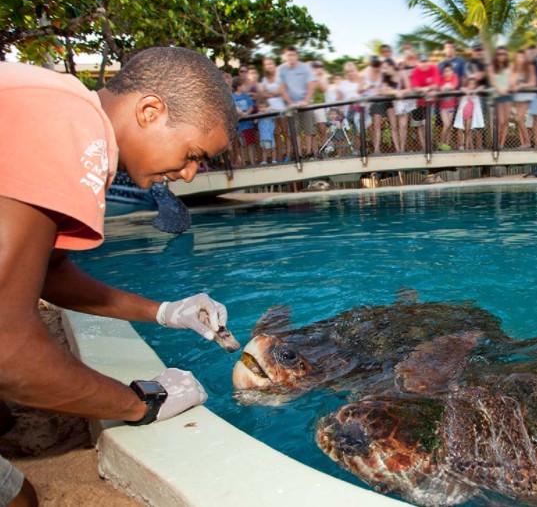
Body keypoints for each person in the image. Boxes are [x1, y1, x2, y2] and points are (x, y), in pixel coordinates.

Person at [0, 47, 238, 506]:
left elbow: (49, 274)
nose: (189, 175)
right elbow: (8, 351)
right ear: (150, 111)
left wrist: (167, 312)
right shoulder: (74, 128)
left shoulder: (50, 101)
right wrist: (142, 402)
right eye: (192, 154)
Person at [277, 46, 318, 158]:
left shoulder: (305, 67)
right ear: (285, 57)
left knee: (309, 129)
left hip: (306, 103)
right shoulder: (281, 69)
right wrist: (290, 103)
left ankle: (309, 153)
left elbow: (312, 85)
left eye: (293, 55)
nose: (291, 58)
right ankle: (299, 154)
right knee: (295, 131)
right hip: (292, 105)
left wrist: (305, 101)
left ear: (297, 56)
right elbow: (282, 88)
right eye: (288, 55)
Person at [409, 54, 440, 152]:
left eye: (425, 61)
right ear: (418, 63)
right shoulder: (415, 71)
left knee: (428, 125)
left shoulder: (433, 68)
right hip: (418, 103)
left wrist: (423, 89)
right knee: (419, 125)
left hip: (429, 103)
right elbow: (415, 88)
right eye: (422, 62)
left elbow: (436, 85)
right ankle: (424, 147)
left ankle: (429, 146)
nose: (424, 64)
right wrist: (427, 88)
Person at [258, 57, 286, 164]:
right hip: (268, 110)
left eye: (271, 63)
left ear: (274, 65)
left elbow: (281, 91)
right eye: (267, 64)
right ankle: (276, 158)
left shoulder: (280, 77)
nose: (269, 66)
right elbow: (264, 93)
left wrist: (271, 93)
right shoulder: (265, 79)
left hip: (280, 109)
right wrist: (274, 92)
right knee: (274, 135)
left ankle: (286, 156)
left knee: (284, 134)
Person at [510, 50, 536, 148]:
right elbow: (511, 83)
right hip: (516, 97)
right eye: (518, 57)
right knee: (519, 120)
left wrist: (521, 85)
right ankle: (523, 143)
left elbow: (533, 83)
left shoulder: (529, 68)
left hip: (526, 97)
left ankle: (527, 142)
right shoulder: (514, 69)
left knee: (519, 118)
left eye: (522, 57)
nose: (520, 59)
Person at [491, 47, 513, 148]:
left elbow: (512, 80)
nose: (501, 56)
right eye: (499, 54)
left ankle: (501, 144)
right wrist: (500, 89)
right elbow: (493, 82)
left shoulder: (509, 67)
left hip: (508, 96)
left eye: (503, 54)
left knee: (506, 121)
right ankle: (496, 142)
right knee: (501, 121)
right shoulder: (493, 68)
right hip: (498, 96)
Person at [454, 77, 484, 150]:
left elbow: (482, 87)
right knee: (460, 129)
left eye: (473, 84)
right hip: (462, 114)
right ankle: (460, 146)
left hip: (469, 115)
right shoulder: (465, 91)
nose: (471, 85)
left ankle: (467, 147)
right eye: (469, 84)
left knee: (468, 131)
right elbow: (461, 89)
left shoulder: (475, 93)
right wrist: (467, 91)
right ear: (467, 85)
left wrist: (474, 91)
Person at [438, 63, 459, 150]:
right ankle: (441, 143)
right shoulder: (440, 78)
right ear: (443, 72)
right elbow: (439, 88)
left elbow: (453, 86)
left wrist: (445, 87)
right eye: (445, 71)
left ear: (452, 71)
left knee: (449, 126)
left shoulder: (454, 77)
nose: (447, 73)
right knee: (446, 124)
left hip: (451, 106)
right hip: (442, 107)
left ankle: (447, 144)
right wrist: (446, 87)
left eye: (449, 70)